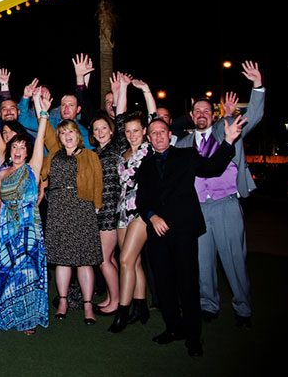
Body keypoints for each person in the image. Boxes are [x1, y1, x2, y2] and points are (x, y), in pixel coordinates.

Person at [136, 115, 246, 357]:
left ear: (169, 135)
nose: (158, 136)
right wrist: (152, 216)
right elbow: (141, 200)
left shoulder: (186, 156)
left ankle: (193, 338)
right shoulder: (144, 165)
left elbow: (213, 167)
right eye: (153, 133)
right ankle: (173, 328)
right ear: (149, 138)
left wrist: (228, 141)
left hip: (184, 231)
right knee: (164, 286)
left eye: (161, 131)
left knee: (187, 285)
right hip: (157, 234)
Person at [175, 61, 264, 327]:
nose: (201, 113)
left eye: (205, 110)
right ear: (191, 115)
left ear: (212, 114)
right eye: (196, 110)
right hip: (198, 210)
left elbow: (255, 116)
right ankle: (208, 304)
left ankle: (243, 308)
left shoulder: (227, 130)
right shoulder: (183, 143)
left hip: (226, 206)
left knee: (234, 259)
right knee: (203, 262)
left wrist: (257, 85)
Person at [0, 90, 50, 335]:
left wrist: (42, 112)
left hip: (28, 227)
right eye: (15, 146)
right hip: (5, 226)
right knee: (8, 270)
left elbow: (42, 135)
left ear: (27, 151)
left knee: (27, 272)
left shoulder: (33, 169)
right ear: (10, 150)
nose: (18, 150)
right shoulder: (3, 173)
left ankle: (29, 317)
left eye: (23, 147)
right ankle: (7, 312)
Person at [109, 74, 159, 332]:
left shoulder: (149, 148)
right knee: (134, 260)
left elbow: (154, 119)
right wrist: (122, 91)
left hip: (141, 209)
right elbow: (119, 120)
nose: (131, 135)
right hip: (121, 211)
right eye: (128, 132)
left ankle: (122, 312)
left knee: (126, 260)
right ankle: (141, 307)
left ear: (144, 132)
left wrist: (147, 90)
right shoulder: (122, 151)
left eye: (136, 131)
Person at [45, 119, 104, 325]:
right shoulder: (53, 154)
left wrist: (96, 207)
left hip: (82, 208)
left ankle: (88, 304)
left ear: (77, 134)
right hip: (58, 209)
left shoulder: (90, 155)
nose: (67, 136)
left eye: (71, 131)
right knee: (62, 259)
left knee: (84, 259)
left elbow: (98, 182)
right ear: (59, 138)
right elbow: (43, 175)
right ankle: (63, 301)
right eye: (63, 133)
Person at [89, 73, 130, 315]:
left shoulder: (116, 146)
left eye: (104, 127)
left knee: (104, 259)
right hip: (99, 211)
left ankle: (116, 302)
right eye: (96, 129)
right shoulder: (94, 152)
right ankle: (112, 296)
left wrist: (120, 91)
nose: (101, 131)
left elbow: (123, 119)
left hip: (111, 211)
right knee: (109, 259)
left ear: (111, 131)